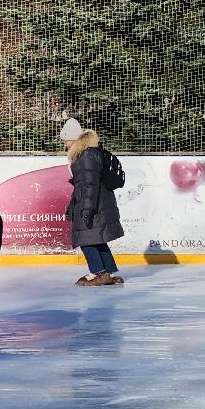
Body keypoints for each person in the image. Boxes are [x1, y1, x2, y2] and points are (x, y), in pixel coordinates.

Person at [62, 118, 126, 287]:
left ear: (74, 139)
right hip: (99, 204)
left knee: (85, 238)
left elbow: (89, 185)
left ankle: (98, 272)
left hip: (94, 205)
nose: (64, 142)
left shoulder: (86, 155)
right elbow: (83, 185)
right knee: (97, 237)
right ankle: (109, 271)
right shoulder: (90, 153)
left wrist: (86, 210)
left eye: (65, 139)